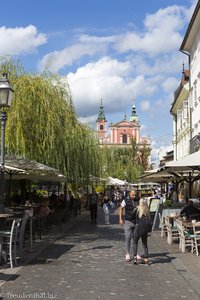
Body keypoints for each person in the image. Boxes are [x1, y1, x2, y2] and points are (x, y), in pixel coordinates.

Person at [119, 190, 141, 262]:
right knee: (128, 237)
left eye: (135, 195)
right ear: (129, 194)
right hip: (128, 221)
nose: (134, 196)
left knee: (135, 238)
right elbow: (121, 209)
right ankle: (127, 254)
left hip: (136, 221)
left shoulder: (137, 200)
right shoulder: (125, 200)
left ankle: (135, 254)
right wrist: (120, 219)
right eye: (133, 195)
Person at [132, 198, 151, 265]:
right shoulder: (147, 210)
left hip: (138, 227)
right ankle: (146, 258)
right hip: (145, 229)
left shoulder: (137, 209)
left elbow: (132, 217)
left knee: (135, 242)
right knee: (144, 243)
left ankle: (135, 258)